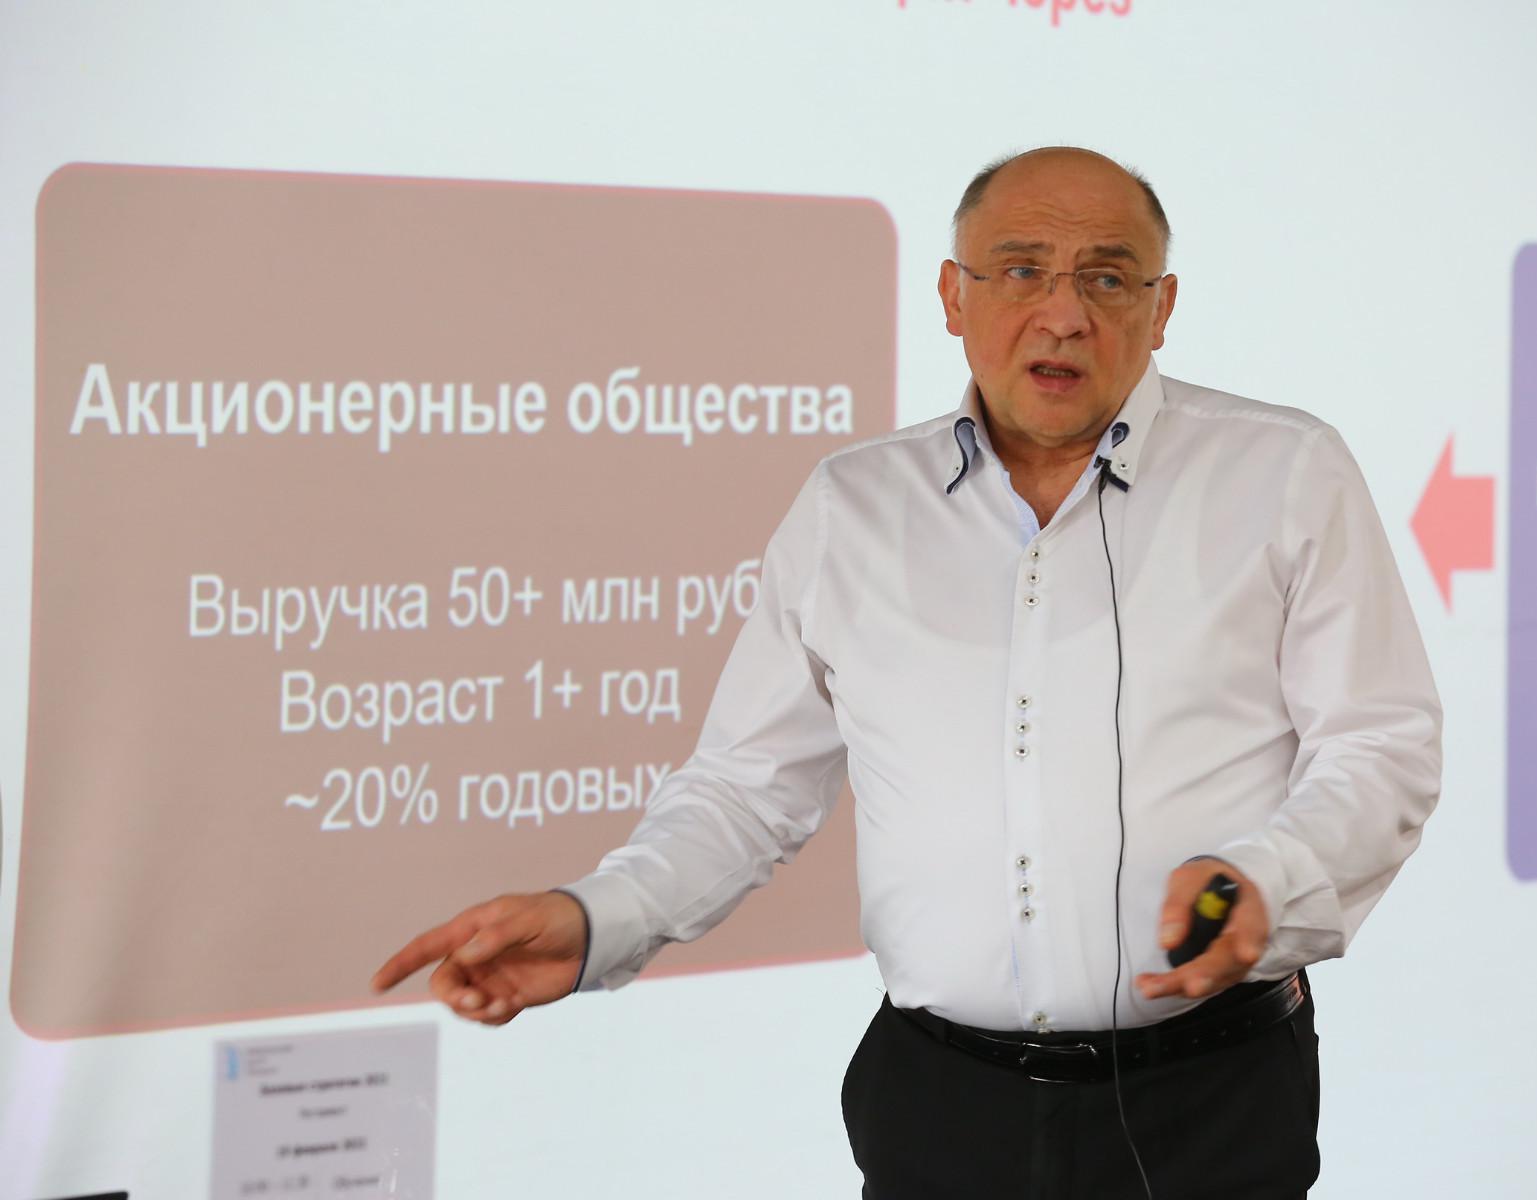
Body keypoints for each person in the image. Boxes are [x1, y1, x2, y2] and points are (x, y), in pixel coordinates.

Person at [372, 146, 1442, 1198]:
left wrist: (1270, 879)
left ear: (1161, 309)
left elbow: (1381, 747)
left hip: (1209, 1104)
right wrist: (598, 916)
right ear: (952, 295)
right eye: (1020, 270)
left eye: (1108, 279)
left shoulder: (1284, 473)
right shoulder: (854, 508)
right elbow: (745, 789)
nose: (1063, 314)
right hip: (941, 1108)